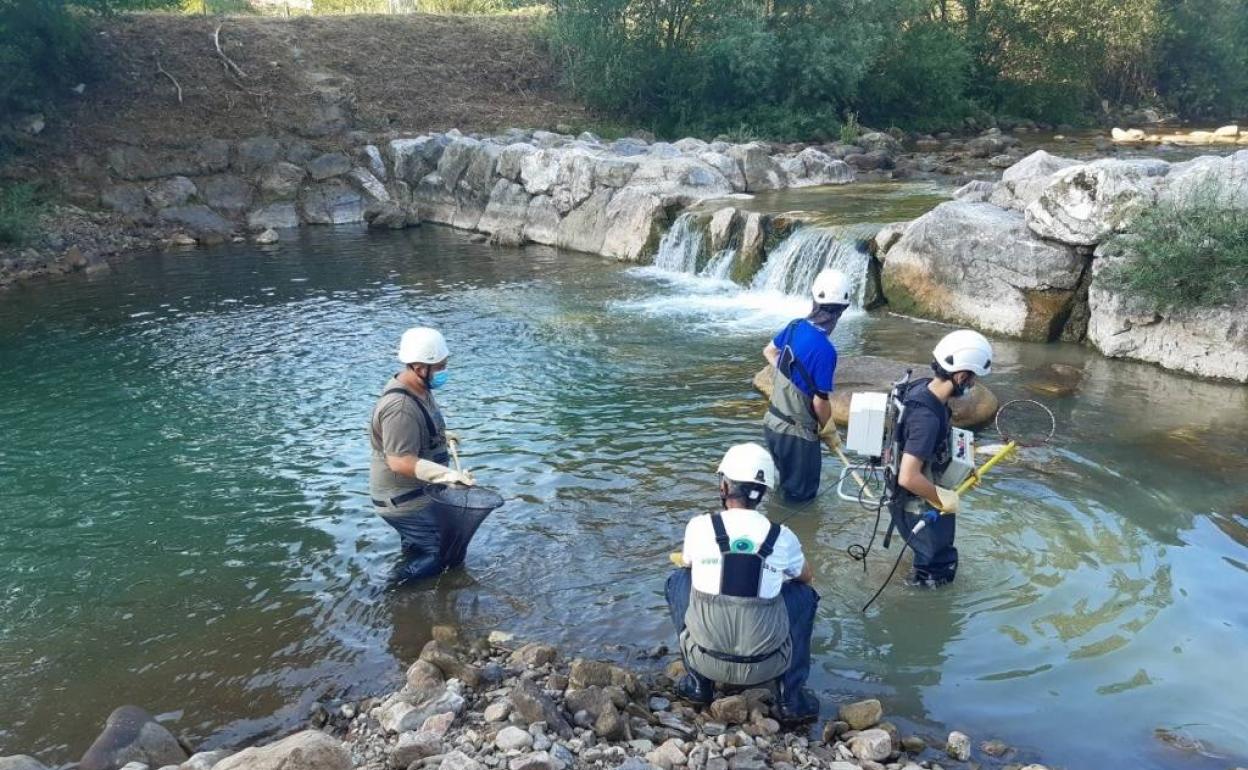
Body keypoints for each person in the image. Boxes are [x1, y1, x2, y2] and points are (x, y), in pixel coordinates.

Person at [665, 443, 821, 722]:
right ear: (762, 493)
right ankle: (791, 699)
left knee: (679, 580)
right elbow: (806, 577)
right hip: (767, 664)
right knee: (805, 595)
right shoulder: (782, 536)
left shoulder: (699, 526)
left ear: (724, 488)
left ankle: (699, 684)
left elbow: (687, 563)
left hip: (706, 658)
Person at [887, 329, 993, 586]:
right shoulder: (927, 417)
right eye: (972, 379)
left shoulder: (923, 388)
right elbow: (909, 476)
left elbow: (935, 448)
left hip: (907, 500)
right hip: (919, 504)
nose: (972, 385)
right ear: (960, 375)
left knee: (924, 557)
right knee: (937, 571)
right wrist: (942, 498)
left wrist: (964, 468)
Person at [369, 326, 475, 583]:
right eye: (439, 367)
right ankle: (388, 589)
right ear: (418, 368)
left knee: (419, 548)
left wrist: (442, 435)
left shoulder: (420, 388)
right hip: (404, 500)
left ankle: (413, 607)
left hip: (420, 492)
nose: (443, 372)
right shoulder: (401, 407)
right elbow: (399, 460)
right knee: (443, 553)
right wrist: (446, 474)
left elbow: (421, 428)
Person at [762, 268, 852, 502]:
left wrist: (787, 372)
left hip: (772, 425)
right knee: (801, 500)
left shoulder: (795, 326)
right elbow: (820, 402)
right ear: (841, 311)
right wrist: (830, 430)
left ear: (814, 301)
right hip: (797, 437)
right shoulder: (825, 351)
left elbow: (769, 351)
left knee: (782, 489)